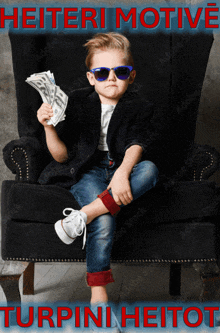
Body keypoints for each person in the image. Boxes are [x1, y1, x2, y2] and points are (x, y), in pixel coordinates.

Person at [37, 32, 159, 332]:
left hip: (123, 168)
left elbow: (136, 144)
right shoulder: (78, 102)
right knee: (103, 222)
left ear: (131, 76)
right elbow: (63, 157)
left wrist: (120, 174)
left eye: (120, 72)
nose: (111, 78)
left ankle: (82, 215)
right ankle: (99, 300)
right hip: (88, 171)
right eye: (103, 72)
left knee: (150, 171)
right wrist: (48, 128)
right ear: (92, 78)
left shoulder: (139, 106)